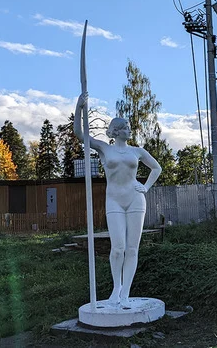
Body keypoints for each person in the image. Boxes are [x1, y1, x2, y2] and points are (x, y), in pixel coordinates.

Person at [74, 94, 162, 307]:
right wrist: (79, 108)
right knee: (118, 248)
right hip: (113, 199)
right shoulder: (106, 148)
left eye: (129, 127)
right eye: (125, 127)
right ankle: (116, 287)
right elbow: (79, 134)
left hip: (135, 199)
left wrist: (146, 187)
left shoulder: (137, 151)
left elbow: (157, 168)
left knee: (132, 249)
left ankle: (125, 293)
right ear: (116, 131)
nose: (129, 130)